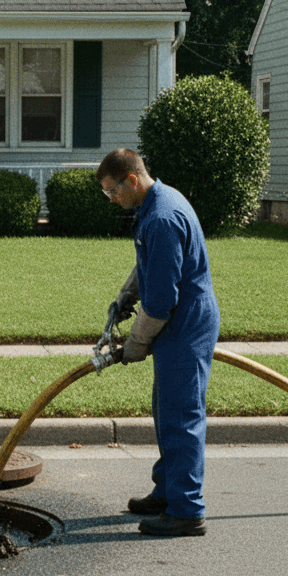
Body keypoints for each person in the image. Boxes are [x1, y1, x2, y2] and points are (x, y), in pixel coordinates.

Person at [97, 148, 220, 537]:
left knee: (181, 417)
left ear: (133, 180)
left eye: (112, 190)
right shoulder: (156, 204)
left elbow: (163, 303)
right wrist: (125, 296)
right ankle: (167, 492)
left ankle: (186, 509)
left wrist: (135, 343)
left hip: (183, 325)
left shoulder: (163, 218)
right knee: (166, 411)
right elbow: (149, 264)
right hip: (176, 323)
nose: (112, 198)